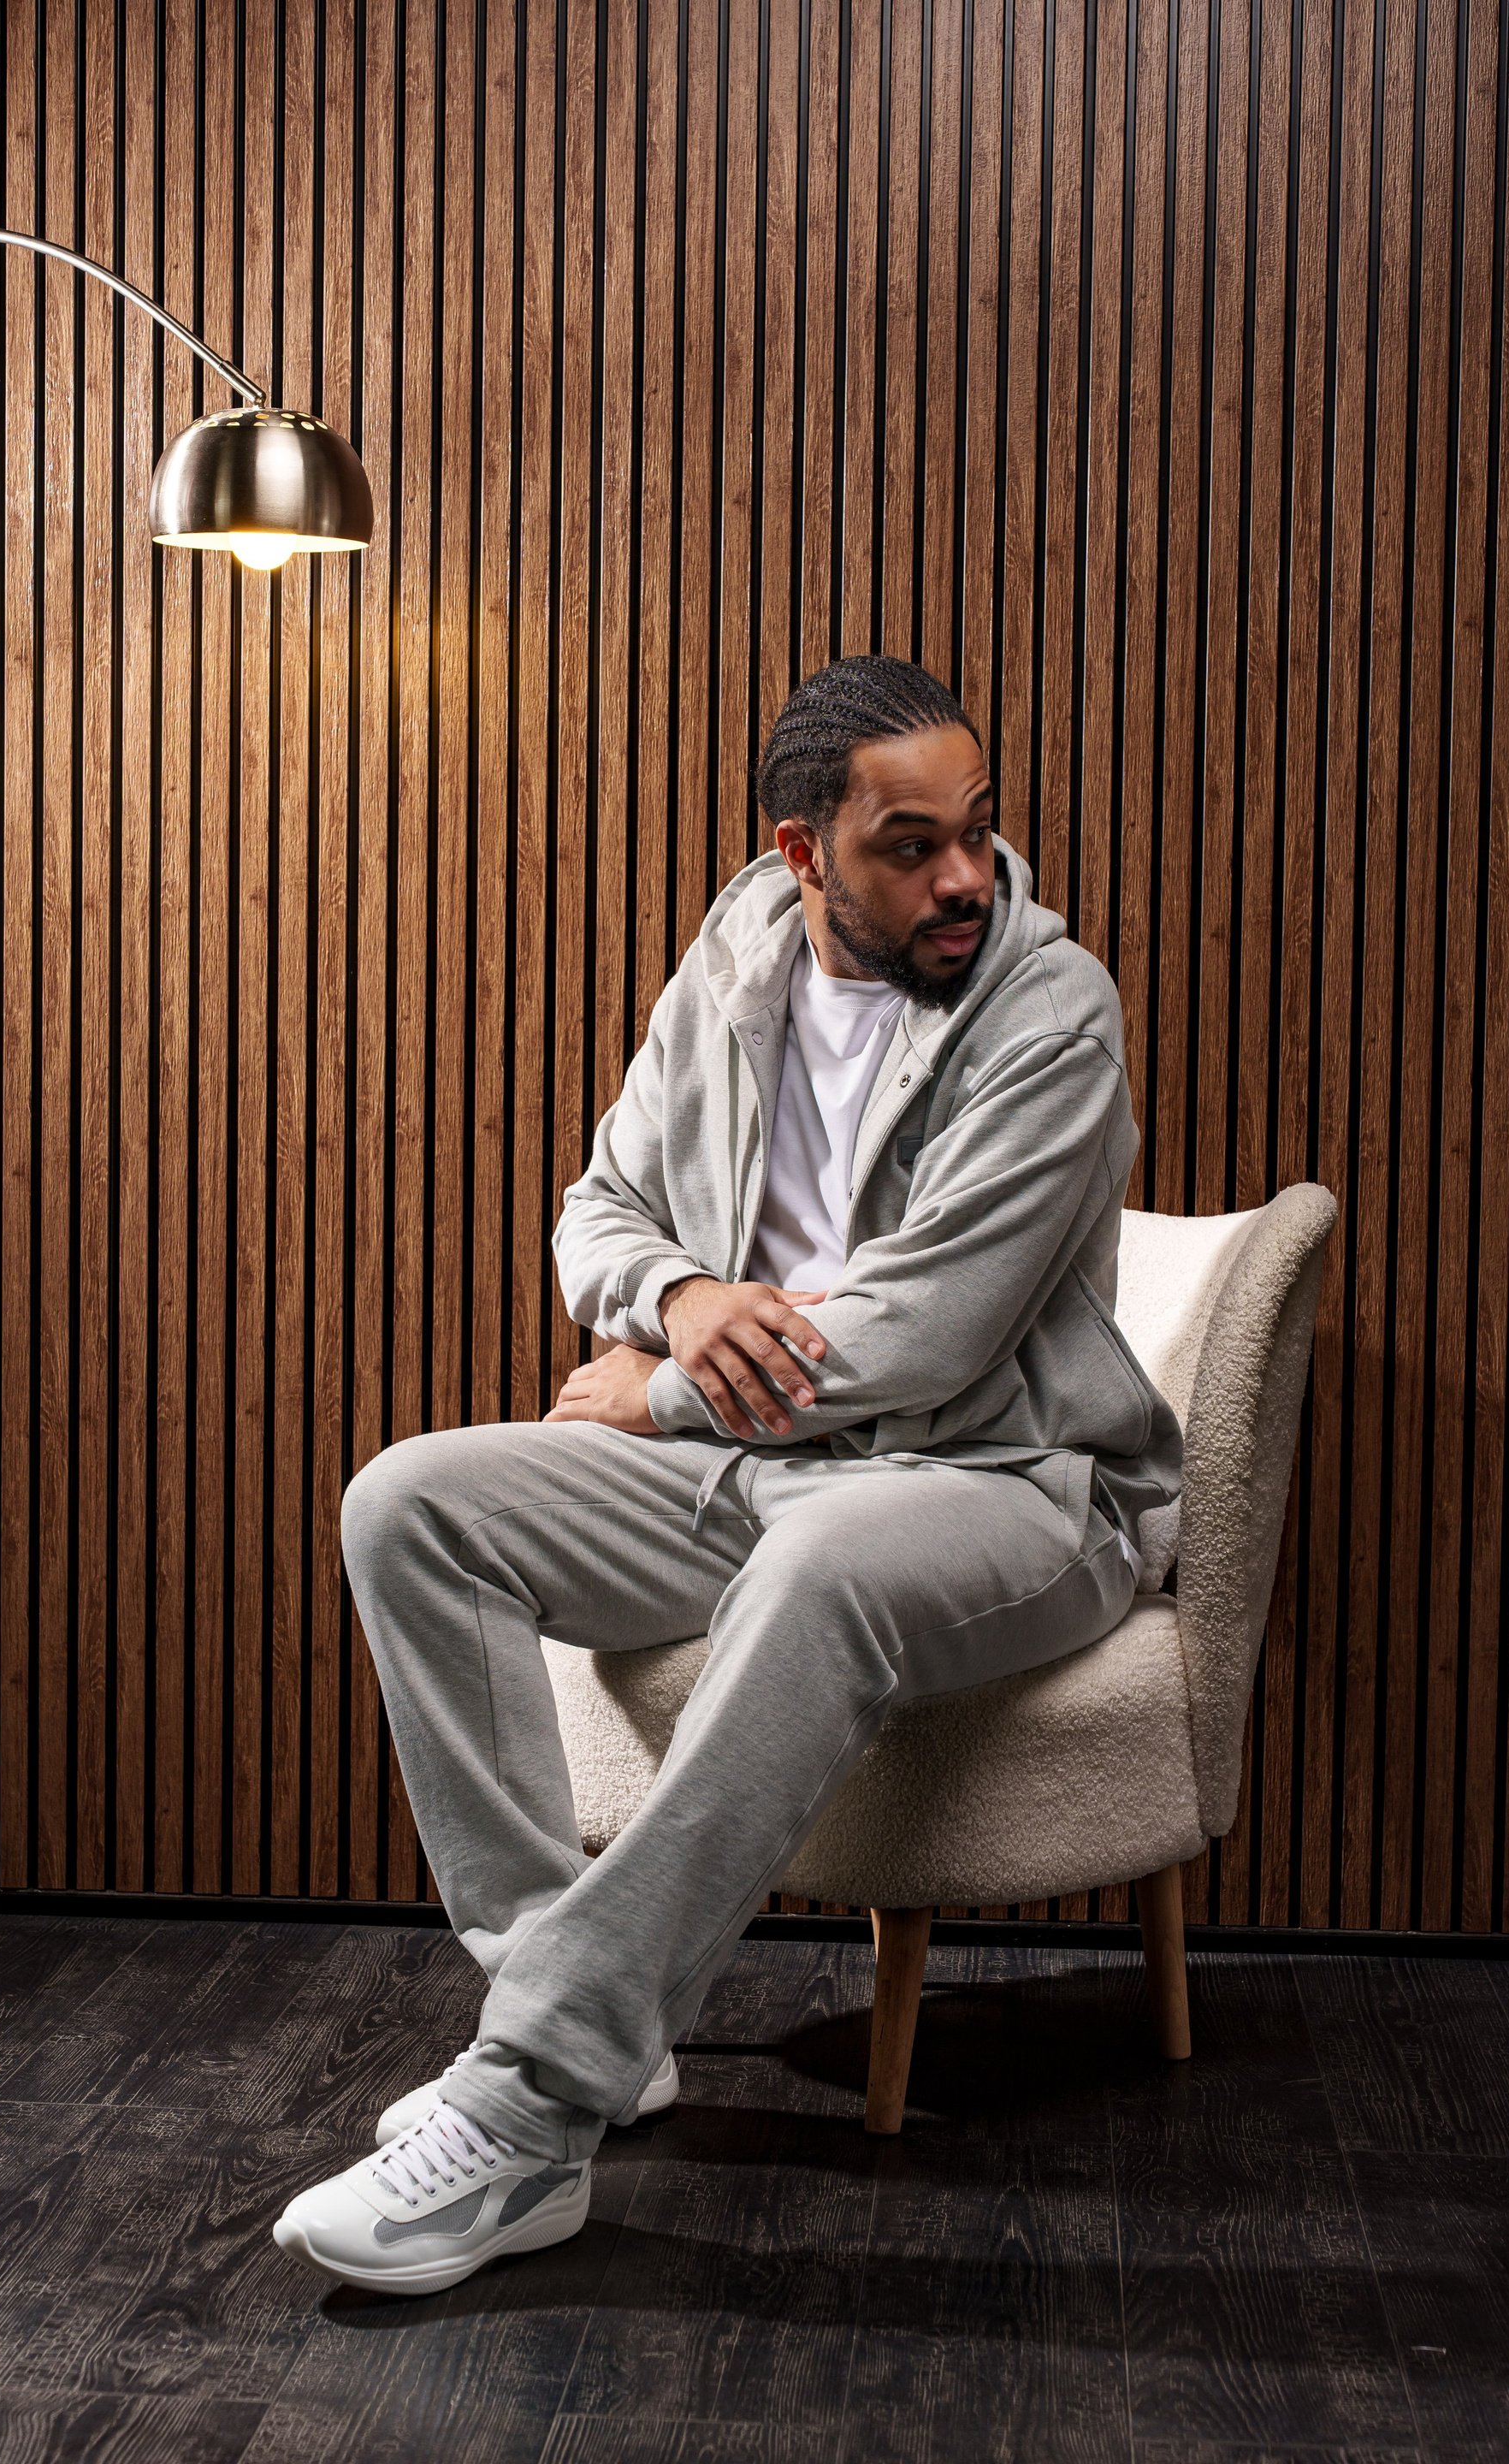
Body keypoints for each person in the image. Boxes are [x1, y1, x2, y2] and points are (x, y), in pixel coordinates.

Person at [274, 654, 1181, 2295]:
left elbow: (931, 1336)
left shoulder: (1052, 1012)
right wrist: (684, 1295)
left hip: (1005, 1485)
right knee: (411, 1503)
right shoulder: (734, 958)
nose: (965, 876)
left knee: (821, 1570)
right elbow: (597, 1213)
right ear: (801, 853)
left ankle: (530, 2105)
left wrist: (662, 1389)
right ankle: (579, 2009)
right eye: (911, 845)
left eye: (978, 829)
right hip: (765, 1463)